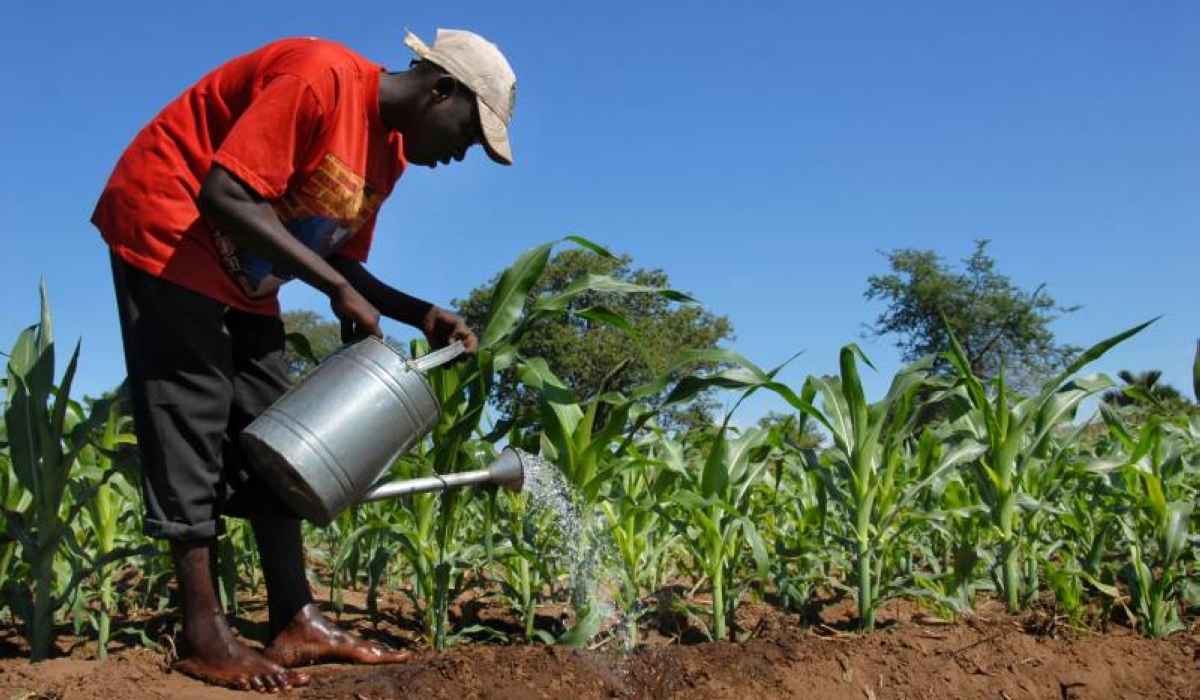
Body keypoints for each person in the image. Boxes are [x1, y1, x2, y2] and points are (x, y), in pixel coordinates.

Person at [91, 28, 517, 692]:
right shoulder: (319, 77)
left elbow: (336, 256)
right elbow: (224, 195)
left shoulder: (387, 158)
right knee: (192, 417)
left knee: (278, 427)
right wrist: (334, 288)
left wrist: (418, 311)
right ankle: (203, 634)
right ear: (441, 90)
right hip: (171, 229)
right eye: (468, 134)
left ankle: (297, 621)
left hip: (246, 273)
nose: (461, 154)